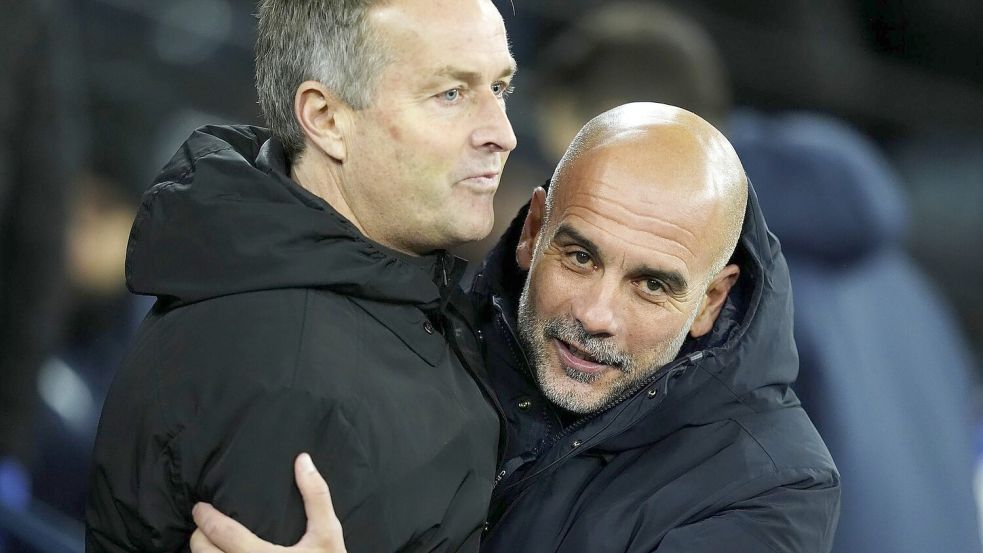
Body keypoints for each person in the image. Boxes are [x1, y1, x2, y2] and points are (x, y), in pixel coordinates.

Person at [190, 103, 841, 552]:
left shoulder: (772, 483)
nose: (594, 315)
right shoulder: (412, 337)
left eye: (651, 284)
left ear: (709, 299)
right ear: (533, 231)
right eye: (579, 256)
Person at [86, 0, 517, 551]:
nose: (501, 134)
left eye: (500, 88)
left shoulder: (381, 290)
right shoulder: (291, 378)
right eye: (451, 94)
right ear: (326, 119)